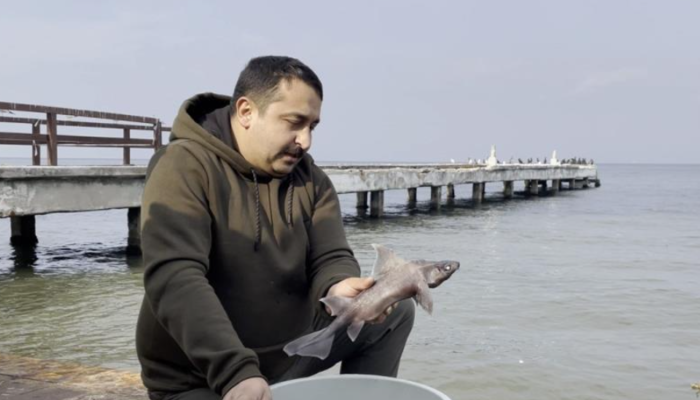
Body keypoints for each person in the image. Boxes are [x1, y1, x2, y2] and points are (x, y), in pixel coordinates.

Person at [135, 56, 415, 400]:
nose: (306, 140)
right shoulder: (183, 166)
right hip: (201, 375)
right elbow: (175, 277)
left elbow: (331, 255)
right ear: (246, 112)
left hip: (289, 353)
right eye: (295, 122)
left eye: (313, 126)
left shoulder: (311, 179)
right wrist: (235, 371)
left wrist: (339, 286)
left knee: (396, 312)